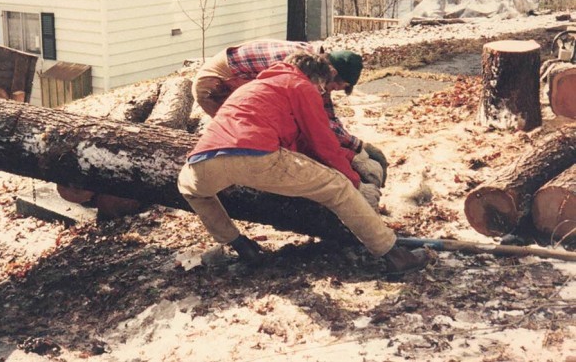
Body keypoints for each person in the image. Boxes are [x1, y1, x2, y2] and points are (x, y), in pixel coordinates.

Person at [178, 52, 432, 273]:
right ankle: (395, 255)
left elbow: (301, 144)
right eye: (324, 88)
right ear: (318, 77)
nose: (323, 93)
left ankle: (241, 246)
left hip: (204, 158)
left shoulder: (255, 87)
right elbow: (323, 143)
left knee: (191, 189)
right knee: (338, 188)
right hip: (256, 153)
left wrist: (348, 157)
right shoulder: (300, 85)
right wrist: (354, 182)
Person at [192, 40, 389, 188]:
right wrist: (352, 173)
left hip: (241, 82)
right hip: (216, 85)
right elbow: (318, 132)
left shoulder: (315, 69)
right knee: (259, 140)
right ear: (333, 71)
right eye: (337, 86)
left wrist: (359, 147)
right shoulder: (293, 61)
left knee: (288, 132)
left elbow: (325, 118)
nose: (333, 91)